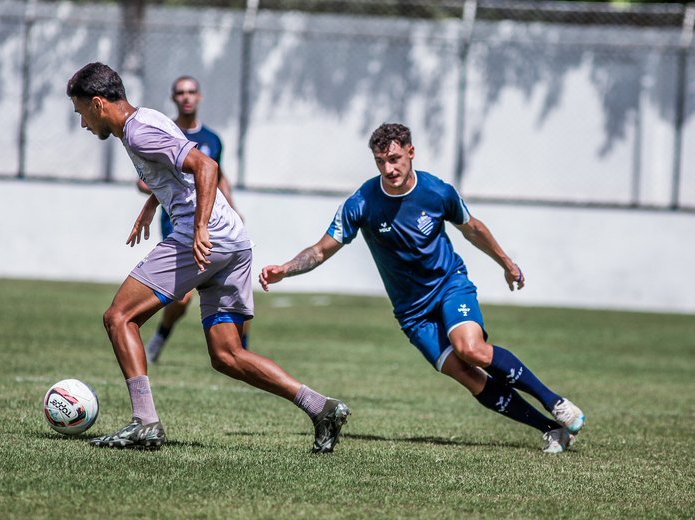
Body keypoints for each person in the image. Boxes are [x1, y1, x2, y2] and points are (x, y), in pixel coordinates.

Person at [66, 62, 349, 453]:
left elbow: (205, 165)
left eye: (81, 112)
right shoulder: (146, 118)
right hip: (234, 240)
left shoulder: (138, 131)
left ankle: (145, 423)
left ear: (98, 104)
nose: (83, 124)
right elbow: (179, 167)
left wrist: (198, 228)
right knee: (227, 355)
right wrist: (154, 202)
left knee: (119, 317)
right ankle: (322, 408)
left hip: (205, 237)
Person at [259, 123, 585, 453]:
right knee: (467, 375)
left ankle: (554, 402)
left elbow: (471, 228)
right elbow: (320, 250)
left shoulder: (437, 192)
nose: (389, 169)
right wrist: (285, 269)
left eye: (395, 159)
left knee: (469, 349)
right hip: (413, 314)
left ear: (411, 153)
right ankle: (553, 430)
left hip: (449, 286)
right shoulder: (362, 203)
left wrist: (506, 262)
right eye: (381, 162)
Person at [137, 76, 249, 364]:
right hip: (178, 223)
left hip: (215, 226)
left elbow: (216, 176)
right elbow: (145, 180)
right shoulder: (169, 135)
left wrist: (234, 208)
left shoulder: (213, 140)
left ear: (199, 97)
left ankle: (241, 352)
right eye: (180, 93)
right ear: (174, 99)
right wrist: (157, 187)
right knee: (182, 297)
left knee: (232, 291)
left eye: (191, 92)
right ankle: (161, 337)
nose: (186, 97)